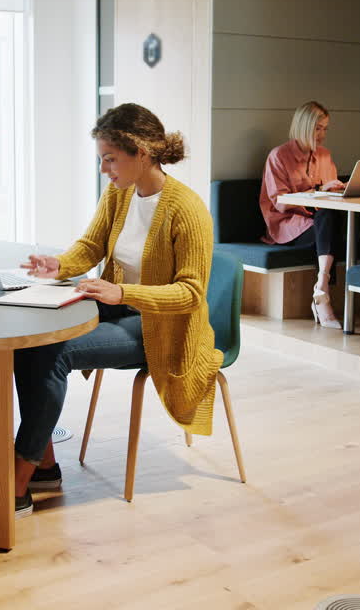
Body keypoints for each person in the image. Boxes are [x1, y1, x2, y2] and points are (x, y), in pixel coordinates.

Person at [14, 103, 222, 518]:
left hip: (163, 330)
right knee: (31, 340)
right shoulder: (119, 192)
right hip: (120, 304)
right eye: (101, 159)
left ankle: (17, 482)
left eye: (110, 158)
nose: (104, 169)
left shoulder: (187, 209)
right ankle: (44, 466)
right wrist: (60, 265)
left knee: (55, 353)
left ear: (141, 152)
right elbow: (91, 245)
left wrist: (122, 291)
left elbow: (190, 294)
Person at [258, 101, 345, 328]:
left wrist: (337, 189)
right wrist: (318, 191)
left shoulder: (325, 155)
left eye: (325, 128)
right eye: (317, 128)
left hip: (319, 221)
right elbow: (281, 203)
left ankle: (322, 287)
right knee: (329, 223)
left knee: (331, 218)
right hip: (288, 225)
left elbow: (327, 194)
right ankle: (323, 299)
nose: (322, 134)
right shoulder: (278, 156)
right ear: (304, 127)